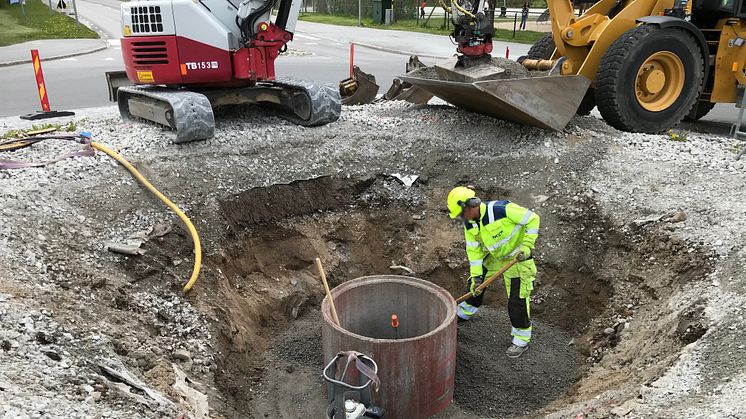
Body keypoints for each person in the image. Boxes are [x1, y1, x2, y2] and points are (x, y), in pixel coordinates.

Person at [447, 186, 540, 358]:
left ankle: (521, 339)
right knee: (475, 284)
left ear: (472, 205)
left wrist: (527, 245)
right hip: (496, 258)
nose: (461, 218)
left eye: (461, 213)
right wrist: (476, 276)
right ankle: (466, 310)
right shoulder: (470, 223)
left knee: (517, 301)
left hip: (517, 259)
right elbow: (474, 252)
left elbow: (533, 219)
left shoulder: (501, 210)